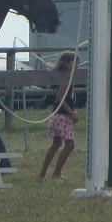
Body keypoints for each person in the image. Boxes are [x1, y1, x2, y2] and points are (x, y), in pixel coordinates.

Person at [38, 52, 78, 180]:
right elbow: (60, 97)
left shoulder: (66, 77)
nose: (77, 64)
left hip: (57, 115)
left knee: (56, 144)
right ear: (66, 63)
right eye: (74, 61)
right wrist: (71, 113)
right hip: (62, 116)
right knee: (70, 145)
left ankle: (43, 173)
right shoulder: (66, 78)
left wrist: (72, 110)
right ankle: (56, 173)